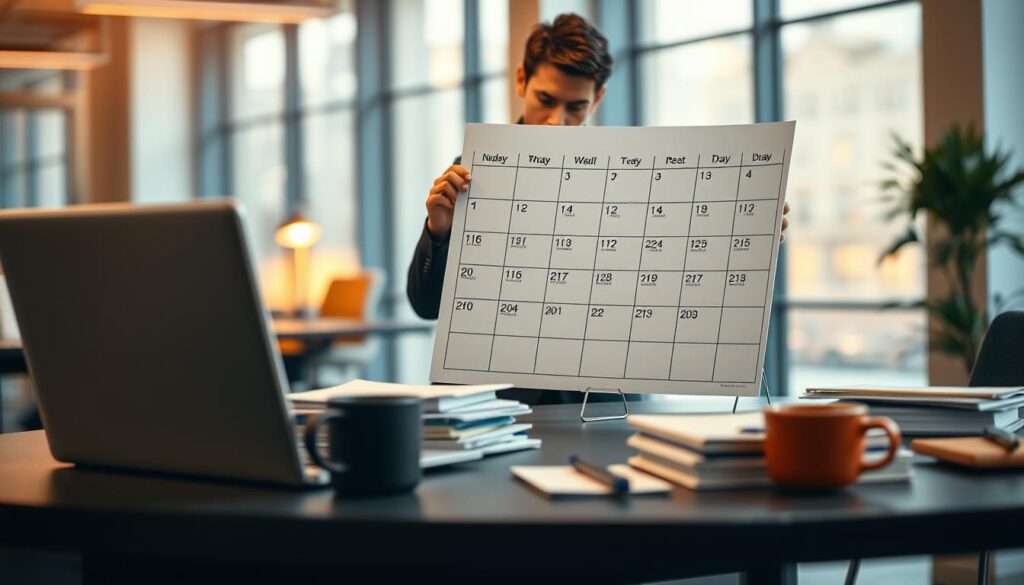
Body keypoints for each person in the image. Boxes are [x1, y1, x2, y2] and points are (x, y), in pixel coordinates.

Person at [407, 14, 789, 404]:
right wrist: (438, 231)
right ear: (521, 80)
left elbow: (675, 279)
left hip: (603, 404)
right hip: (497, 406)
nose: (557, 122)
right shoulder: (472, 171)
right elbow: (425, 306)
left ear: (598, 98)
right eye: (546, 100)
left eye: (576, 107)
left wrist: (746, 232)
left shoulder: (639, 176)